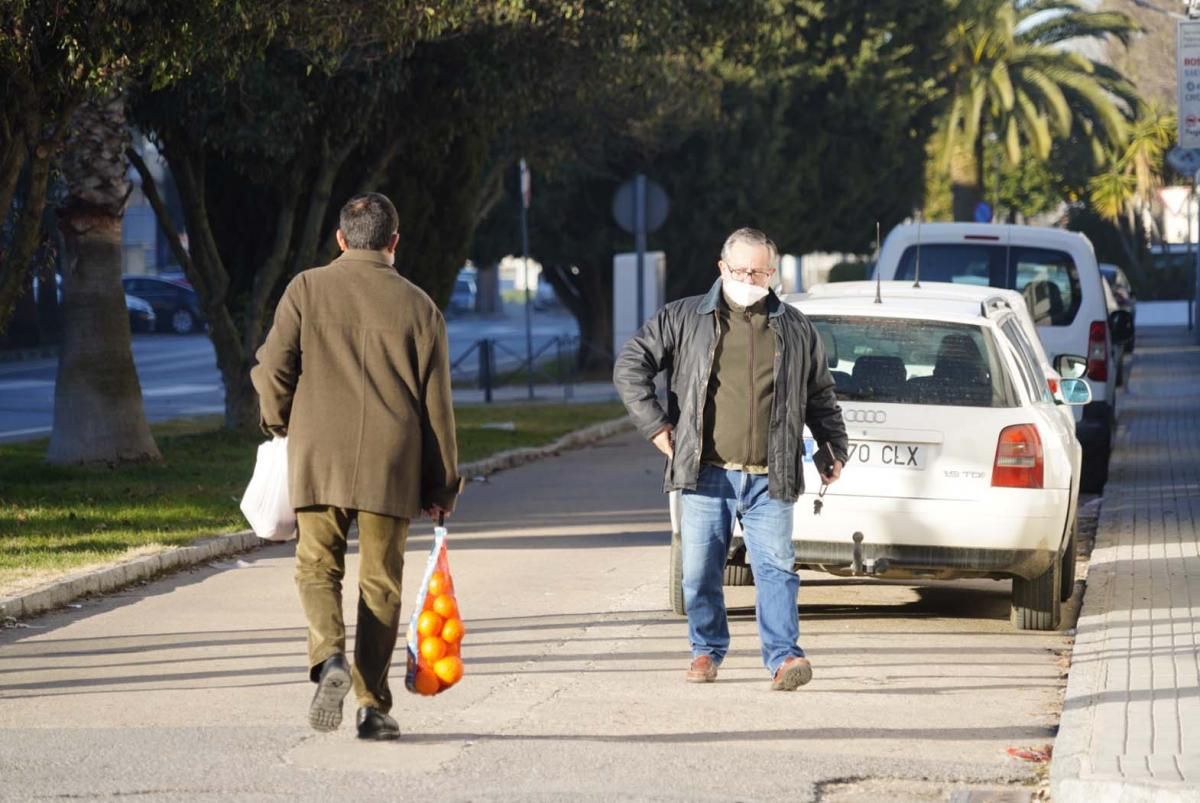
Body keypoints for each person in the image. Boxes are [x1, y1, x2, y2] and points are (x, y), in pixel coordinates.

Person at [251, 192, 462, 740]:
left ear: (341, 239)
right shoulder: (420, 307)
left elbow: (273, 366)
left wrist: (280, 425)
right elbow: (437, 407)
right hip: (391, 464)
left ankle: (329, 659)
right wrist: (441, 485)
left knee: (317, 566)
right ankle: (373, 707)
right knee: (380, 583)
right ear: (394, 242)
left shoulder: (306, 288)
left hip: (317, 454)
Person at [613, 227, 848, 690]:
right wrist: (657, 426)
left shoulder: (796, 328)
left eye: (759, 271)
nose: (750, 278)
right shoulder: (684, 317)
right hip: (706, 473)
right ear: (722, 268)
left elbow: (820, 394)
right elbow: (630, 366)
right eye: (741, 270)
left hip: (770, 475)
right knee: (700, 572)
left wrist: (832, 447)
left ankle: (785, 658)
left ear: (772, 272)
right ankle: (705, 650)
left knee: (776, 569)